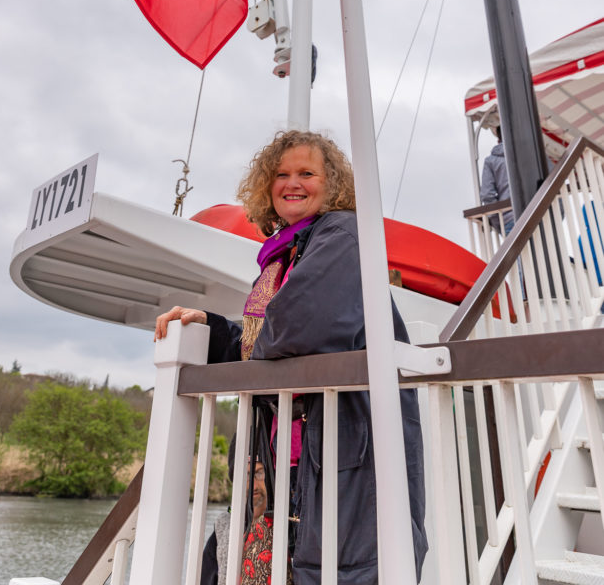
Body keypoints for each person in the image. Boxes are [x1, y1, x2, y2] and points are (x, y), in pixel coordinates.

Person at [155, 129, 428, 584]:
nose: (292, 182)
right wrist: (212, 327)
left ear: (333, 182)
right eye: (281, 174)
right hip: (297, 452)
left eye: (307, 172)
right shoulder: (286, 253)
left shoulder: (344, 232)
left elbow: (300, 325)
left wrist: (246, 358)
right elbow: (271, 333)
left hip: (347, 447)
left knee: (344, 567)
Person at [201, 437, 279, 585]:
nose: (253, 485)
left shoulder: (289, 528)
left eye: (259, 473)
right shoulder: (223, 528)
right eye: (246, 475)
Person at [480, 126, 515, 234]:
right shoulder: (534, 152)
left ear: (499, 140)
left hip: (510, 218)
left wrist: (498, 222)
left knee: (523, 250)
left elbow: (487, 195)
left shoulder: (491, 161)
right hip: (542, 213)